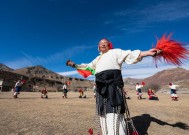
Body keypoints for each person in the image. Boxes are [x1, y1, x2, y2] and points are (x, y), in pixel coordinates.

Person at [66, 38, 161, 135]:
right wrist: (74, 65)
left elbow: (130, 54)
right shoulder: (97, 59)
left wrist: (147, 53)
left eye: (105, 43)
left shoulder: (115, 52)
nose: (103, 45)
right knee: (102, 112)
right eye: (101, 44)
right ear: (98, 47)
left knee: (114, 111)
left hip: (113, 86)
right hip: (100, 88)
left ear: (109, 45)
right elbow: (87, 67)